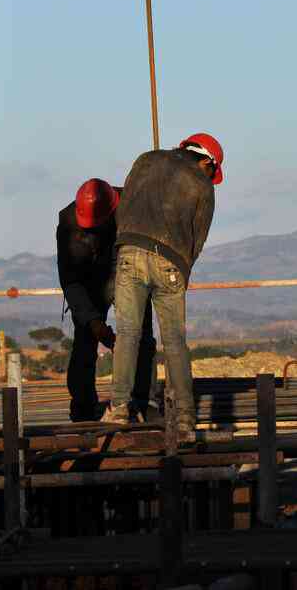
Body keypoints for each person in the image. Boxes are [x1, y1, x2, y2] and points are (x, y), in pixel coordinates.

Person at [103, 134, 223, 432]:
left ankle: (119, 408)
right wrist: (182, 270)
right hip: (170, 261)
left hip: (129, 251)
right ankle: (184, 417)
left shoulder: (146, 159)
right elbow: (198, 238)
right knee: (174, 342)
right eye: (212, 170)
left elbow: (124, 205)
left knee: (128, 333)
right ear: (207, 161)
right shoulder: (203, 185)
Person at [57, 178, 158, 422]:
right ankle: (82, 405)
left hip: (128, 268)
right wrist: (93, 321)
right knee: (85, 338)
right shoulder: (69, 224)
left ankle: (145, 402)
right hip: (90, 276)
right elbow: (71, 280)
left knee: (140, 335)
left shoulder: (133, 210)